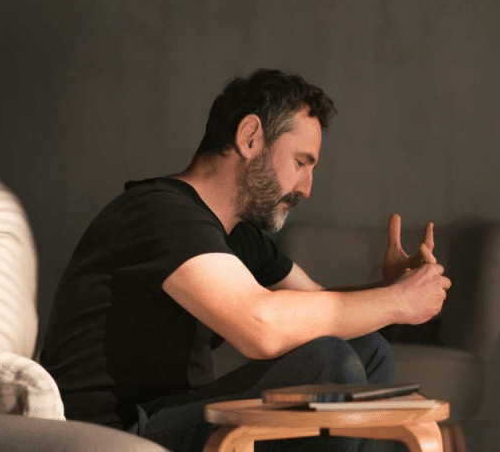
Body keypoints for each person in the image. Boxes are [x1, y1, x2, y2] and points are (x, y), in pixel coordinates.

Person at [39, 69, 452, 452]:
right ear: (251, 137)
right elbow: (262, 328)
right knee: (329, 362)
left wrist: (388, 292)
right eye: (300, 162)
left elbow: (317, 307)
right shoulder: (160, 214)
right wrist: (396, 302)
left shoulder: (236, 236)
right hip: (115, 433)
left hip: (173, 413)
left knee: (368, 348)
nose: (305, 188)